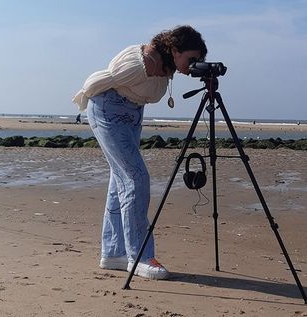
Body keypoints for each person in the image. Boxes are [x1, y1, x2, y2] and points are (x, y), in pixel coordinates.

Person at [72, 25, 207, 280]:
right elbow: (111, 75)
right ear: (175, 50)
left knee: (119, 180)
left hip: (131, 115)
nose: (194, 65)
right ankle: (140, 257)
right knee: (136, 179)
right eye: (192, 59)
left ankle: (113, 253)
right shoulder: (142, 62)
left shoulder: (167, 65)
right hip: (107, 111)